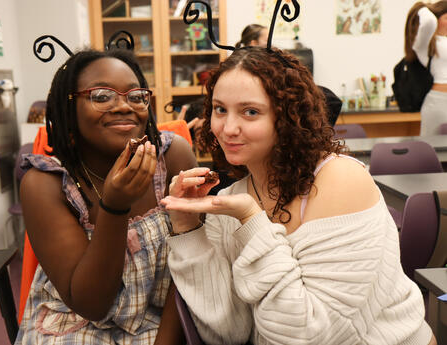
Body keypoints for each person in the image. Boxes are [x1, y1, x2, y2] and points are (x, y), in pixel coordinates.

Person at [161, 46, 436, 345]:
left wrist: (252, 222)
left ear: (288, 117)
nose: (228, 128)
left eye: (250, 112)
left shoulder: (340, 180)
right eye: (219, 109)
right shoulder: (234, 197)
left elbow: (307, 336)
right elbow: (228, 331)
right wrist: (188, 227)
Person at [16, 46, 196, 344]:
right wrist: (114, 207)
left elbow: (194, 263)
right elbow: (91, 304)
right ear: (68, 107)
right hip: (74, 324)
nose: (124, 106)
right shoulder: (45, 183)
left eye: (136, 96)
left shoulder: (173, 156)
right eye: (102, 96)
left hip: (165, 320)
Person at [405, 1, 447, 135]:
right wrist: (428, 8)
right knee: (435, 151)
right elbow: (429, 22)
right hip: (438, 103)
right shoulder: (426, 43)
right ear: (436, 18)